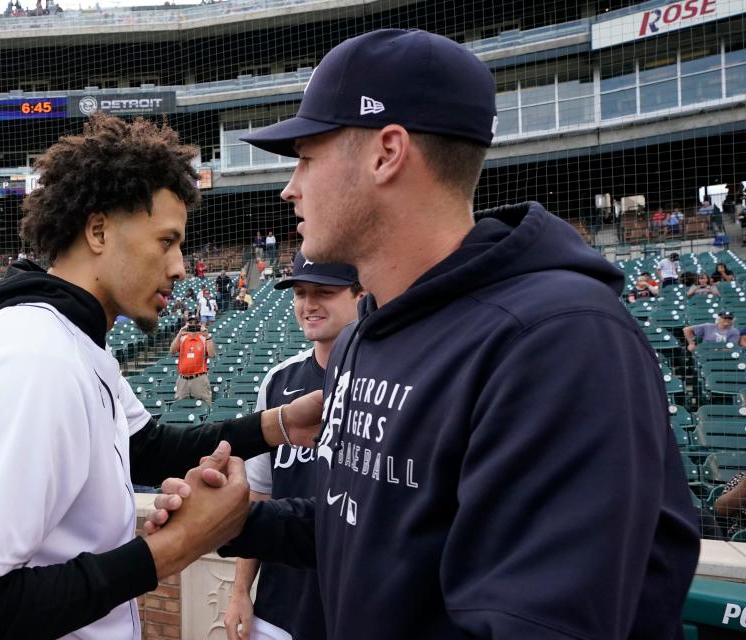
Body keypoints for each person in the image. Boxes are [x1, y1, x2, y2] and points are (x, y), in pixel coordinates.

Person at [151, 28, 700, 638]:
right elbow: (362, 525)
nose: (290, 187)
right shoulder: (369, 331)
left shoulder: (561, 340)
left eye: (307, 157)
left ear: (387, 153)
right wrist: (241, 523)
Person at [0, 113, 322, 640]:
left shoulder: (66, 339)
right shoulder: (35, 358)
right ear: (98, 230)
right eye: (166, 241)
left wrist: (280, 423)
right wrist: (174, 548)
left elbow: (145, 448)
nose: (179, 266)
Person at [225, 253, 362, 640]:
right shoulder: (278, 381)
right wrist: (240, 591)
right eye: (300, 292)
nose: (308, 304)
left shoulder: (387, 382)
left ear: (361, 293)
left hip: (356, 603)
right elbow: (259, 497)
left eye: (324, 291)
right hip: (280, 603)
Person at [170, 315, 215, 405]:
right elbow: (172, 351)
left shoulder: (204, 338)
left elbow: (212, 354)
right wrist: (179, 334)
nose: (192, 325)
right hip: (183, 379)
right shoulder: (182, 338)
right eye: (190, 323)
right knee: (180, 406)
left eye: (196, 323)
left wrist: (207, 336)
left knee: (205, 405)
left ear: (200, 324)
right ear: (186, 324)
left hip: (199, 378)